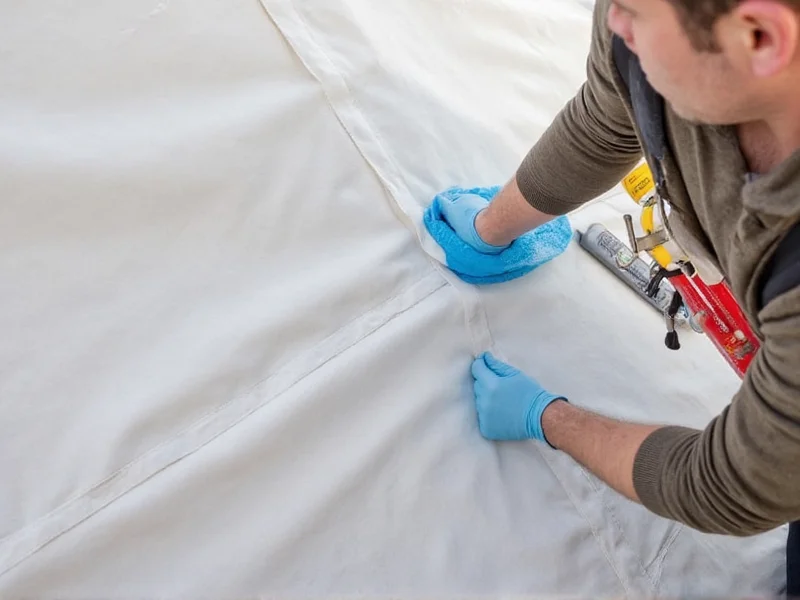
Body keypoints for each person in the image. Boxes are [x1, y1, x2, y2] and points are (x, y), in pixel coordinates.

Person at [431, 0, 800, 593]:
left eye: (629, 12)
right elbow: (607, 118)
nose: (612, 20)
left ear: (759, 37)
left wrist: (547, 417)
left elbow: (733, 485)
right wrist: (490, 229)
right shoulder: (661, 20)